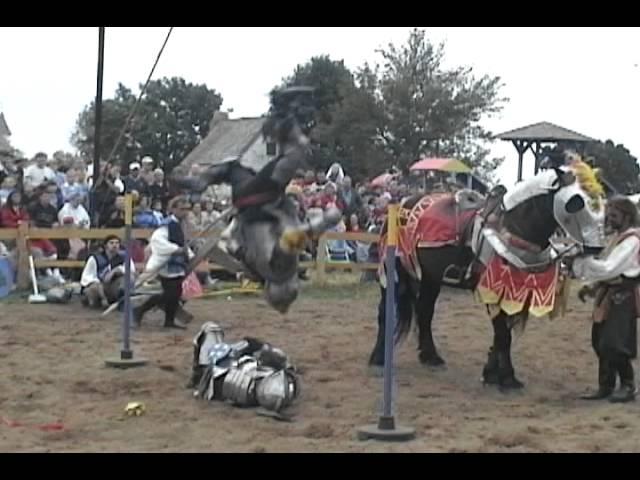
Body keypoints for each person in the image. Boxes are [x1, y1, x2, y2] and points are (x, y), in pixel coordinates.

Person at [571, 196, 640, 403]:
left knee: (614, 343)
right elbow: (607, 270)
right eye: (608, 214)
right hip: (609, 293)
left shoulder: (632, 241)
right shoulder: (618, 238)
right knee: (599, 341)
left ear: (626, 216)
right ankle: (606, 385)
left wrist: (583, 261)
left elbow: (610, 268)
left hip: (623, 295)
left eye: (614, 215)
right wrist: (592, 287)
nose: (609, 219)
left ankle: (628, 385)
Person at [132, 196, 194, 330]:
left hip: (177, 263)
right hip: (166, 263)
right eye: (182, 209)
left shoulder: (181, 224)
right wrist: (176, 250)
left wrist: (188, 254)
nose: (185, 212)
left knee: (176, 293)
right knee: (169, 294)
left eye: (186, 209)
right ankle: (139, 310)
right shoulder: (167, 224)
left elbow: (183, 243)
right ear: (174, 209)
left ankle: (169, 321)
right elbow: (157, 241)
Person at [80, 235, 135, 308]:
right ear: (106, 246)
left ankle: (122, 301)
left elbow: (132, 269)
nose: (115, 245)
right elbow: (86, 276)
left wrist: (117, 270)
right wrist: (99, 284)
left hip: (113, 285)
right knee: (93, 293)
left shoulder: (124, 257)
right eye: (111, 243)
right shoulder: (95, 258)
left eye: (117, 243)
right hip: (98, 286)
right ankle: (96, 299)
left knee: (129, 277)